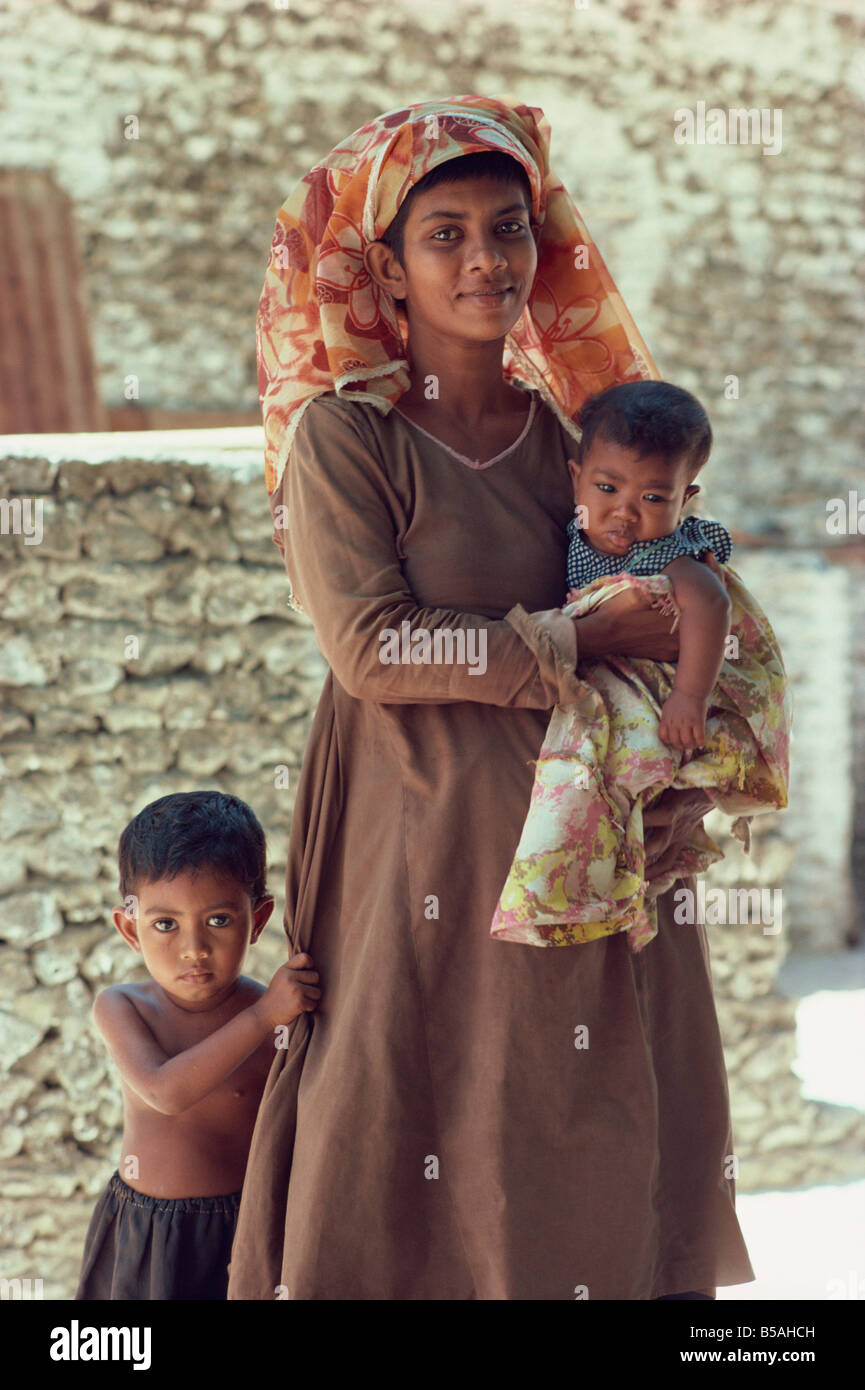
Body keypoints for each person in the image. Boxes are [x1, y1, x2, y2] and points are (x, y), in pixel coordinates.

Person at [228, 94, 757, 1300]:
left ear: (543, 241)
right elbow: (369, 648)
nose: (484, 260)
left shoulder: (581, 444)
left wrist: (677, 771)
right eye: (445, 234)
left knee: (581, 1118)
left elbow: (679, 607)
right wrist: (566, 638)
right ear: (390, 269)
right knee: (413, 1106)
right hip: (414, 833)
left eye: (507, 228)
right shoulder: (346, 442)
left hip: (587, 839)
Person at [491, 379, 792, 953]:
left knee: (603, 776)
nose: (626, 512)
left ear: (686, 499)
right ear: (576, 476)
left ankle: (591, 889)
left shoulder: (669, 552)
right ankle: (597, 887)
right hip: (611, 672)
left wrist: (690, 697)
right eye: (607, 486)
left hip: (660, 685)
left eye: (654, 498)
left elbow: (710, 606)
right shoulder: (578, 534)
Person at [75, 791, 321, 1300]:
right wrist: (265, 1016)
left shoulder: (279, 1015)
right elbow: (165, 1092)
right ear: (130, 928)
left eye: (219, 920)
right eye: (165, 924)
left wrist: (272, 1013)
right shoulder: (123, 1007)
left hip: (245, 1229)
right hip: (145, 1228)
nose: (194, 948)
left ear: (257, 920)